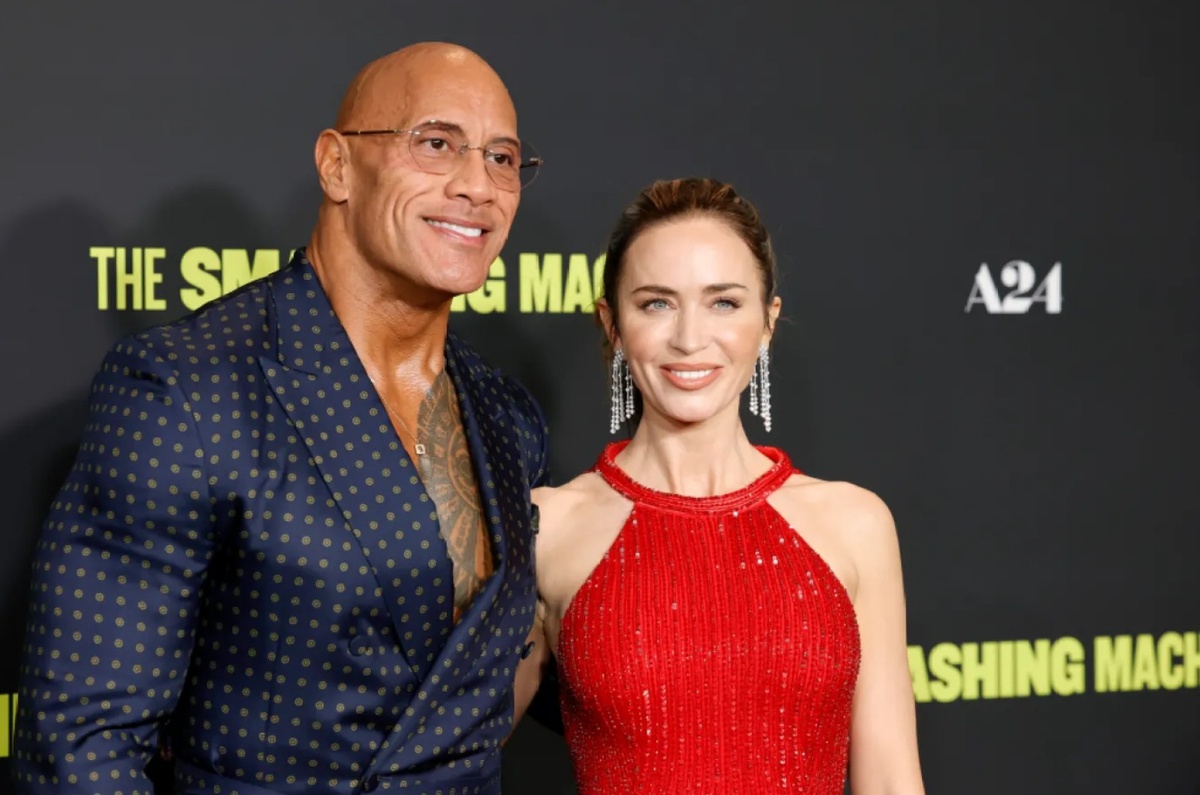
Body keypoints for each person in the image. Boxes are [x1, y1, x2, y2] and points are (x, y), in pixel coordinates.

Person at [13, 42, 549, 795]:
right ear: (336, 165)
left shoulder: (506, 416)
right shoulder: (187, 389)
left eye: (502, 158)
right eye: (436, 144)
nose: (478, 185)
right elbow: (81, 749)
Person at [514, 177, 925, 794]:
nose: (689, 338)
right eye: (656, 303)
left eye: (724, 303)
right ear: (612, 324)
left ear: (768, 322)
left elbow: (891, 782)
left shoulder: (855, 524)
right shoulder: (546, 528)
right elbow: (451, 755)